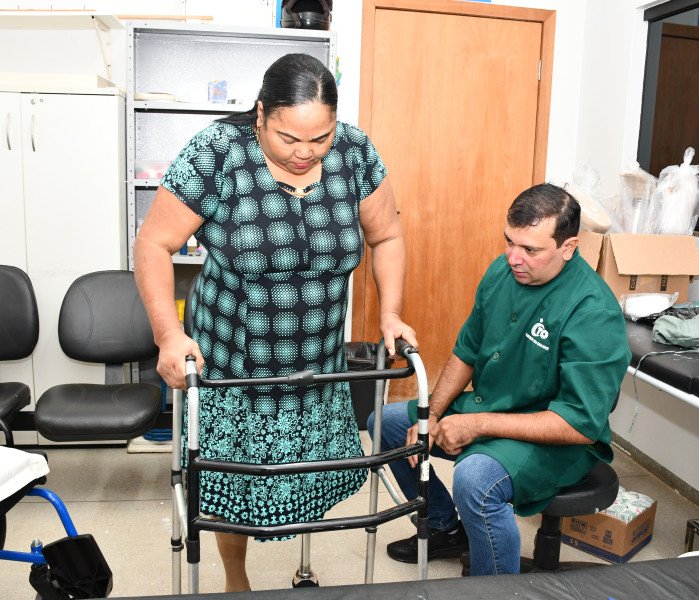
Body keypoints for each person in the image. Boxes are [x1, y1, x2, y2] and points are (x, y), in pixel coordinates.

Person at [134, 53, 417, 592]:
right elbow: (154, 243)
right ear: (261, 114)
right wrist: (168, 335)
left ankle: (302, 562)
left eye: (321, 138)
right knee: (232, 485)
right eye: (289, 138)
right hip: (234, 364)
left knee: (306, 476)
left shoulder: (354, 152)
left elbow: (387, 236)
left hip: (316, 364)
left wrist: (390, 313)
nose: (306, 154)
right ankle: (235, 579)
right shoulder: (217, 153)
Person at [369, 183, 630, 576]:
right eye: (509, 241)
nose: (513, 258)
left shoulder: (593, 311)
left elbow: (578, 424)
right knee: (386, 425)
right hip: (493, 407)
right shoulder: (502, 271)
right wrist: (433, 413)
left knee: (475, 480)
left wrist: (476, 424)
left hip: (559, 438)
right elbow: (466, 351)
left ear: (568, 247)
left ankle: (495, 589)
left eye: (530, 250)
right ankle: (444, 528)